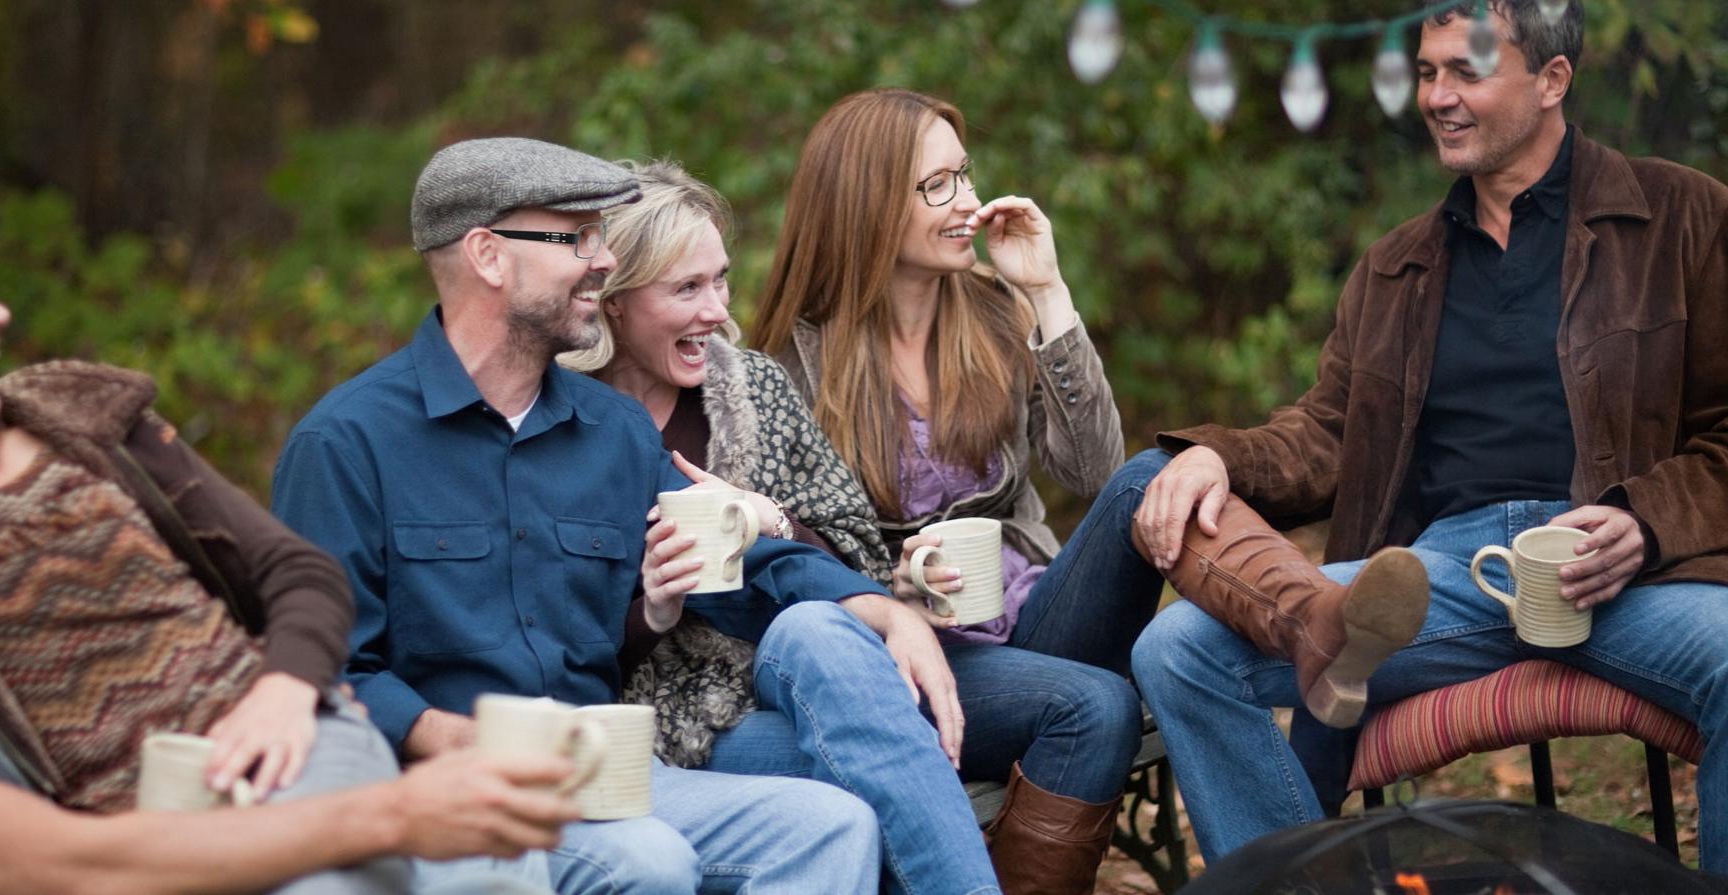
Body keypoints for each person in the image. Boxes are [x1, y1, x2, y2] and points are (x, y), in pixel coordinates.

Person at [1122, 0, 1728, 869]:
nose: (1438, 96)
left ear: (1552, 80)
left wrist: (1644, 524)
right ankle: (1301, 890)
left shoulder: (1682, 216)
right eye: (1426, 71)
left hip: (1621, 577)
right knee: (1178, 645)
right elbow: (1326, 433)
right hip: (1440, 580)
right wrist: (1220, 458)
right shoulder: (1396, 266)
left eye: (1465, 72)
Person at [271, 137, 988, 894]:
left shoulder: (611, 431)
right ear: (487, 255)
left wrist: (884, 610)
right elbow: (328, 668)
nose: (604, 260)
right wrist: (462, 737)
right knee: (650, 858)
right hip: (435, 791)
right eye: (576, 238)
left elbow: (745, 559)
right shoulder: (346, 443)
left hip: (605, 779)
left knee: (830, 825)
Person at [0, 278, 575, 895]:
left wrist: (287, 691)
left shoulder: (65, 426)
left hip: (296, 748)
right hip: (178, 820)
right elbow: (70, 863)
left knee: (521, 863)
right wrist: (398, 809)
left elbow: (299, 575)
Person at [559, 159, 1004, 892]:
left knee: (819, 636)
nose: (718, 311)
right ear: (615, 301)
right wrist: (655, 608)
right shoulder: (570, 422)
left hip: (799, 672)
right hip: (657, 717)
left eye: (722, 279)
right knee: (872, 774)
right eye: (687, 288)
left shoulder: (753, 387)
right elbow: (553, 633)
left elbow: (854, 549)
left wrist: (773, 519)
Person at [752, 87, 1152, 891]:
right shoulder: (794, 366)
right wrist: (892, 587)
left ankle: (1311, 627)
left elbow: (1095, 473)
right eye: (939, 185)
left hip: (1034, 616)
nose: (968, 202)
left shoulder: (995, 312)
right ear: (869, 203)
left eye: (965, 175)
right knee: (1100, 705)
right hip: (914, 655)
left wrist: (1046, 292)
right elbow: (789, 565)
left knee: (1150, 477)